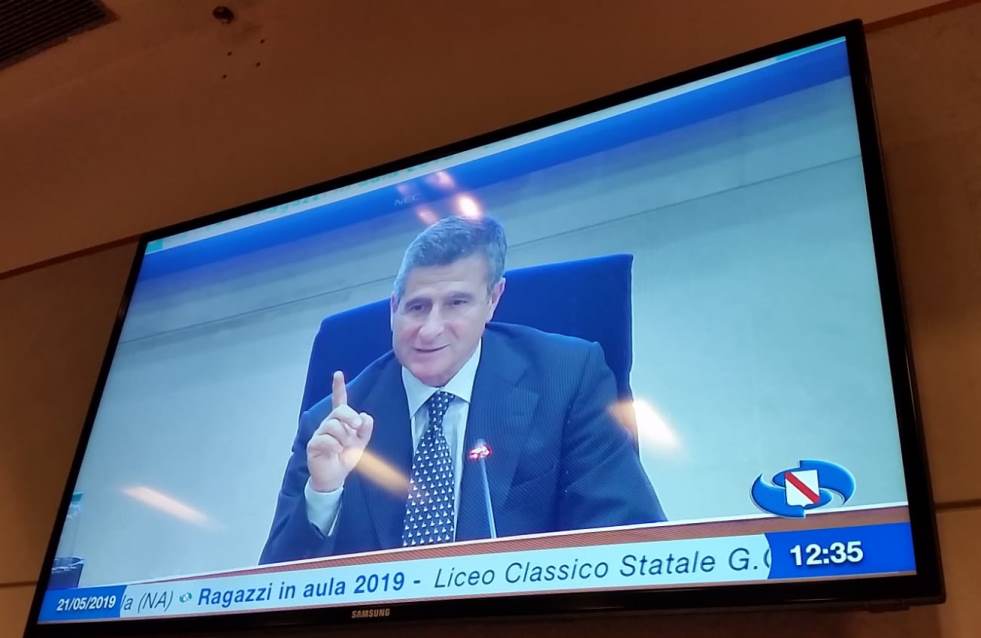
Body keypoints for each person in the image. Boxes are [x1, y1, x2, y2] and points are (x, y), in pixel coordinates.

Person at [259, 215, 664, 564]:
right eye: (417, 307)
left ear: (493, 300)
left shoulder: (566, 377)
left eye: (456, 303)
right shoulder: (329, 423)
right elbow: (273, 592)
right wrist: (324, 493)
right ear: (393, 307)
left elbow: (627, 541)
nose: (430, 330)